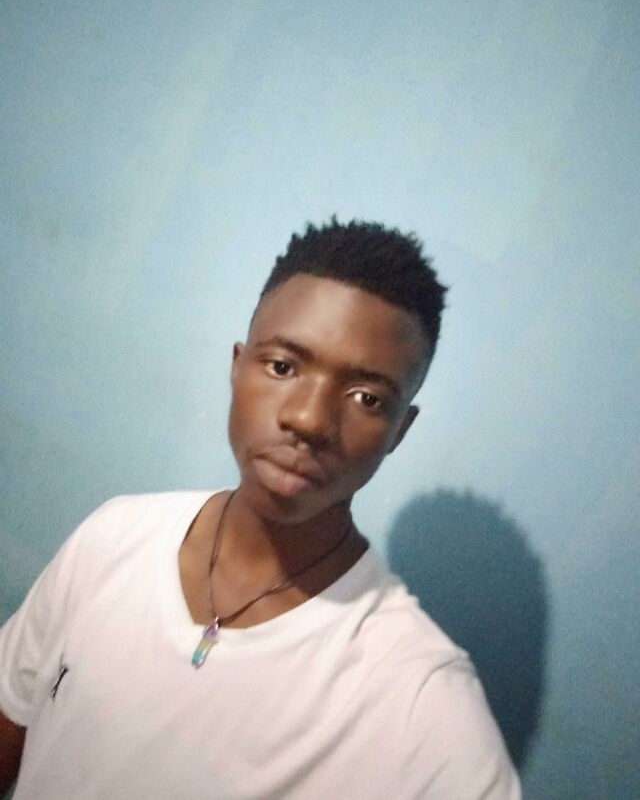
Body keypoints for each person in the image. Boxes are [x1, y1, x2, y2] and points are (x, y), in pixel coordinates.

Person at [0, 218, 520, 799]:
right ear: (237, 365)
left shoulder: (419, 706)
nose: (308, 419)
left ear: (400, 430)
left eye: (367, 397)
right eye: (282, 367)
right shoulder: (112, 539)